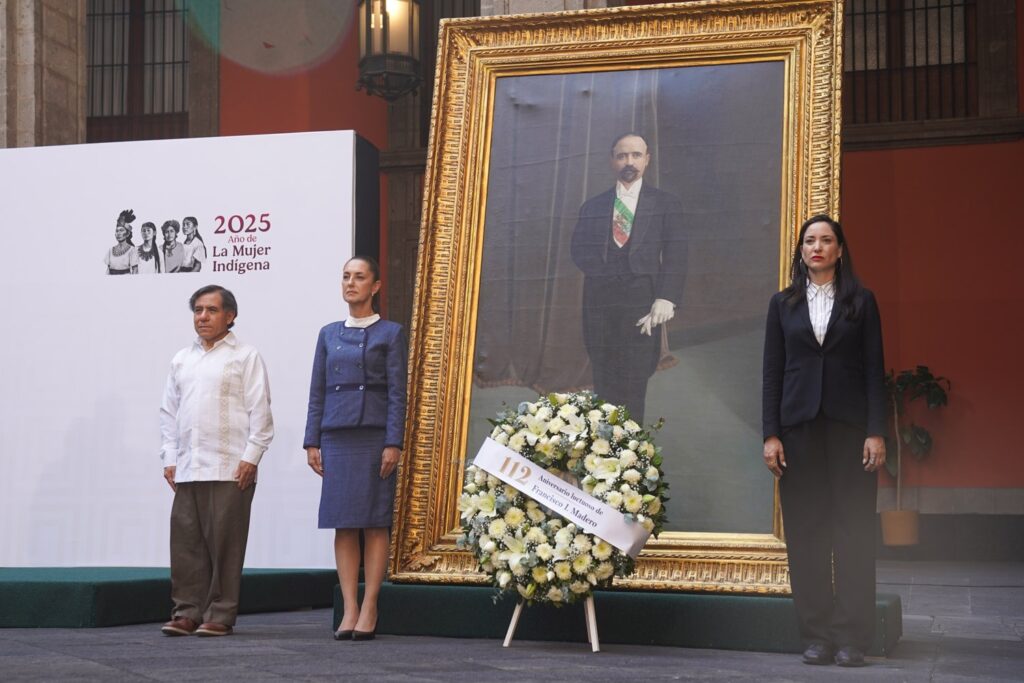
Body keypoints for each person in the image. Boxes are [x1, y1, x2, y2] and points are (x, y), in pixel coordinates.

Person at [761, 215, 886, 667]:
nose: (817, 247)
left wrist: (876, 430)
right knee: (807, 534)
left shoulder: (862, 301)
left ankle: (853, 638)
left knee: (853, 532)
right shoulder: (783, 304)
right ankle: (816, 635)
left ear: (839, 250)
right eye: (810, 241)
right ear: (801, 251)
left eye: (826, 240)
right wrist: (770, 434)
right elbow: (773, 372)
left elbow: (875, 369)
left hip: (851, 430)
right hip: (797, 431)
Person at [159, 285, 274, 637]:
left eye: (211, 310)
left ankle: (220, 614)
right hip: (190, 467)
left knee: (226, 544)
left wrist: (251, 457)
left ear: (230, 315)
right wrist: (169, 457)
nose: (203, 317)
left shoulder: (245, 355)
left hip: (230, 466)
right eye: (198, 310)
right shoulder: (182, 359)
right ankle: (187, 612)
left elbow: (261, 411)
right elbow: (169, 412)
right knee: (186, 544)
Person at [304, 256, 407, 641]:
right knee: (343, 523)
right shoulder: (328, 333)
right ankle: (349, 606)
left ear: (375, 286)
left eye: (359, 277)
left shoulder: (391, 333)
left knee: (374, 521)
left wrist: (393, 441)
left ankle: (371, 603)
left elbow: (399, 393)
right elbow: (317, 391)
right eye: (346, 276)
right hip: (336, 435)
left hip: (373, 435)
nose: (351, 283)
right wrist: (312, 439)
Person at [570, 132, 687, 423]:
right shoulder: (593, 207)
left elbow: (677, 254)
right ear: (612, 161)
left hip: (642, 304)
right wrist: (608, 275)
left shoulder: (665, 204)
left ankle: (629, 453)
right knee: (604, 374)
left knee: (635, 379)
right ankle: (602, 452)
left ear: (647, 160)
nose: (629, 162)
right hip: (599, 304)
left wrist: (666, 297)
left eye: (636, 155)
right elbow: (578, 250)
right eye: (622, 155)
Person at [104, 209, 139, 274]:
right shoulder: (110, 250)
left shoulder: (132, 250)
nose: (118, 233)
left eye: (121, 230)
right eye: (117, 231)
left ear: (127, 234)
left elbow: (135, 271)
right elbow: (107, 270)